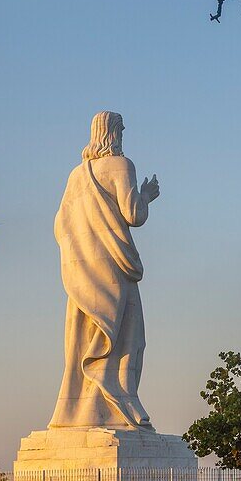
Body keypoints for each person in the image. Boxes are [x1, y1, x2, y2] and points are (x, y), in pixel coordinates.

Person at [49, 110, 161, 429]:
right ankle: (122, 404)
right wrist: (148, 195)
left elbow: (60, 225)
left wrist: (82, 256)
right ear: (113, 133)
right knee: (130, 340)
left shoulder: (76, 176)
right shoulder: (121, 165)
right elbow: (134, 213)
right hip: (114, 268)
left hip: (82, 275)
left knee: (84, 343)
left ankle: (82, 412)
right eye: (121, 131)